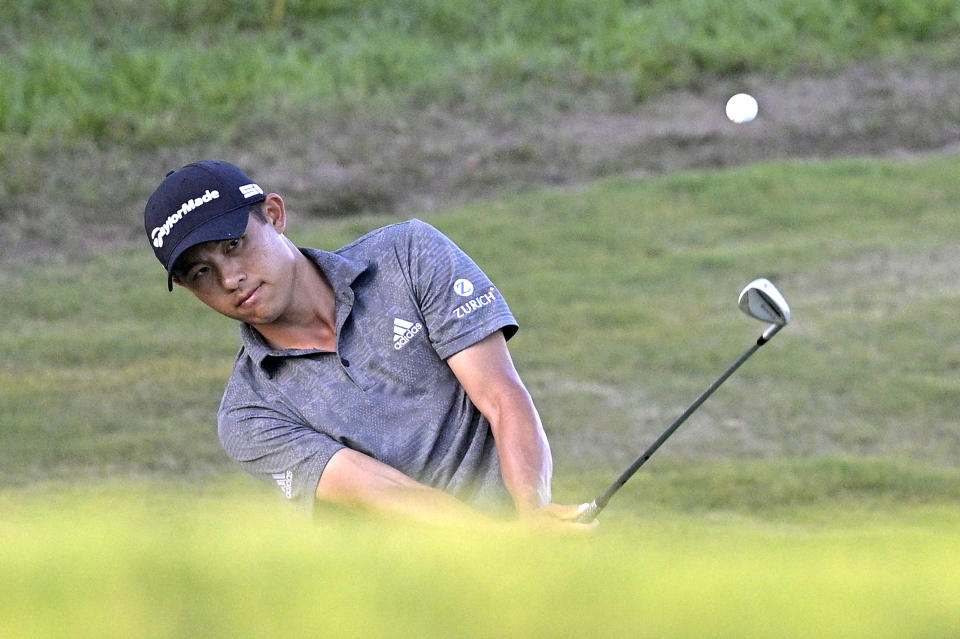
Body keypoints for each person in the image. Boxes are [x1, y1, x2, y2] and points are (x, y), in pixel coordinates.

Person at [144, 159, 589, 526]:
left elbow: (501, 395)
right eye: (201, 272)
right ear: (187, 288)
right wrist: (508, 542)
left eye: (234, 244)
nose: (230, 278)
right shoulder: (249, 414)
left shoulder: (409, 254)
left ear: (275, 216)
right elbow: (388, 493)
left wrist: (533, 512)